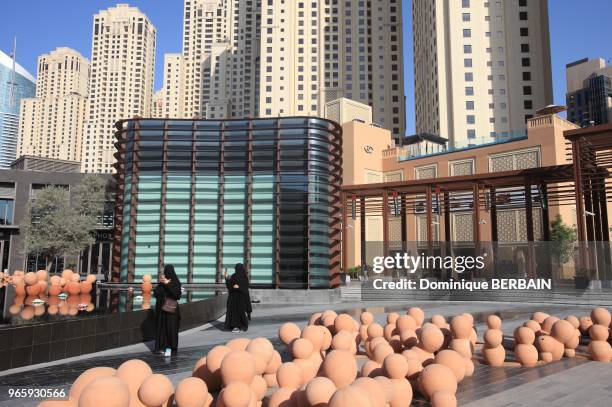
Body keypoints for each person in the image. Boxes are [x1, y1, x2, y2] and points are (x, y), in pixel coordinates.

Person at [153, 264, 182, 356]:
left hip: (171, 308)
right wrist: (162, 284)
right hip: (161, 309)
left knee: (171, 328)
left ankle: (171, 347)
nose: (167, 273)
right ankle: (161, 347)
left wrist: (168, 283)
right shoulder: (162, 282)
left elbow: (177, 294)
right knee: (162, 328)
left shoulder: (175, 281)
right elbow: (156, 293)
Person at [224, 263, 252, 333]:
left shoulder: (244, 277)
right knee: (234, 312)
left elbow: (245, 288)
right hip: (233, 298)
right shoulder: (233, 276)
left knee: (241, 312)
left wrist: (239, 287)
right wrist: (226, 278)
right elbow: (229, 287)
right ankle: (235, 326)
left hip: (241, 299)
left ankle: (243, 326)